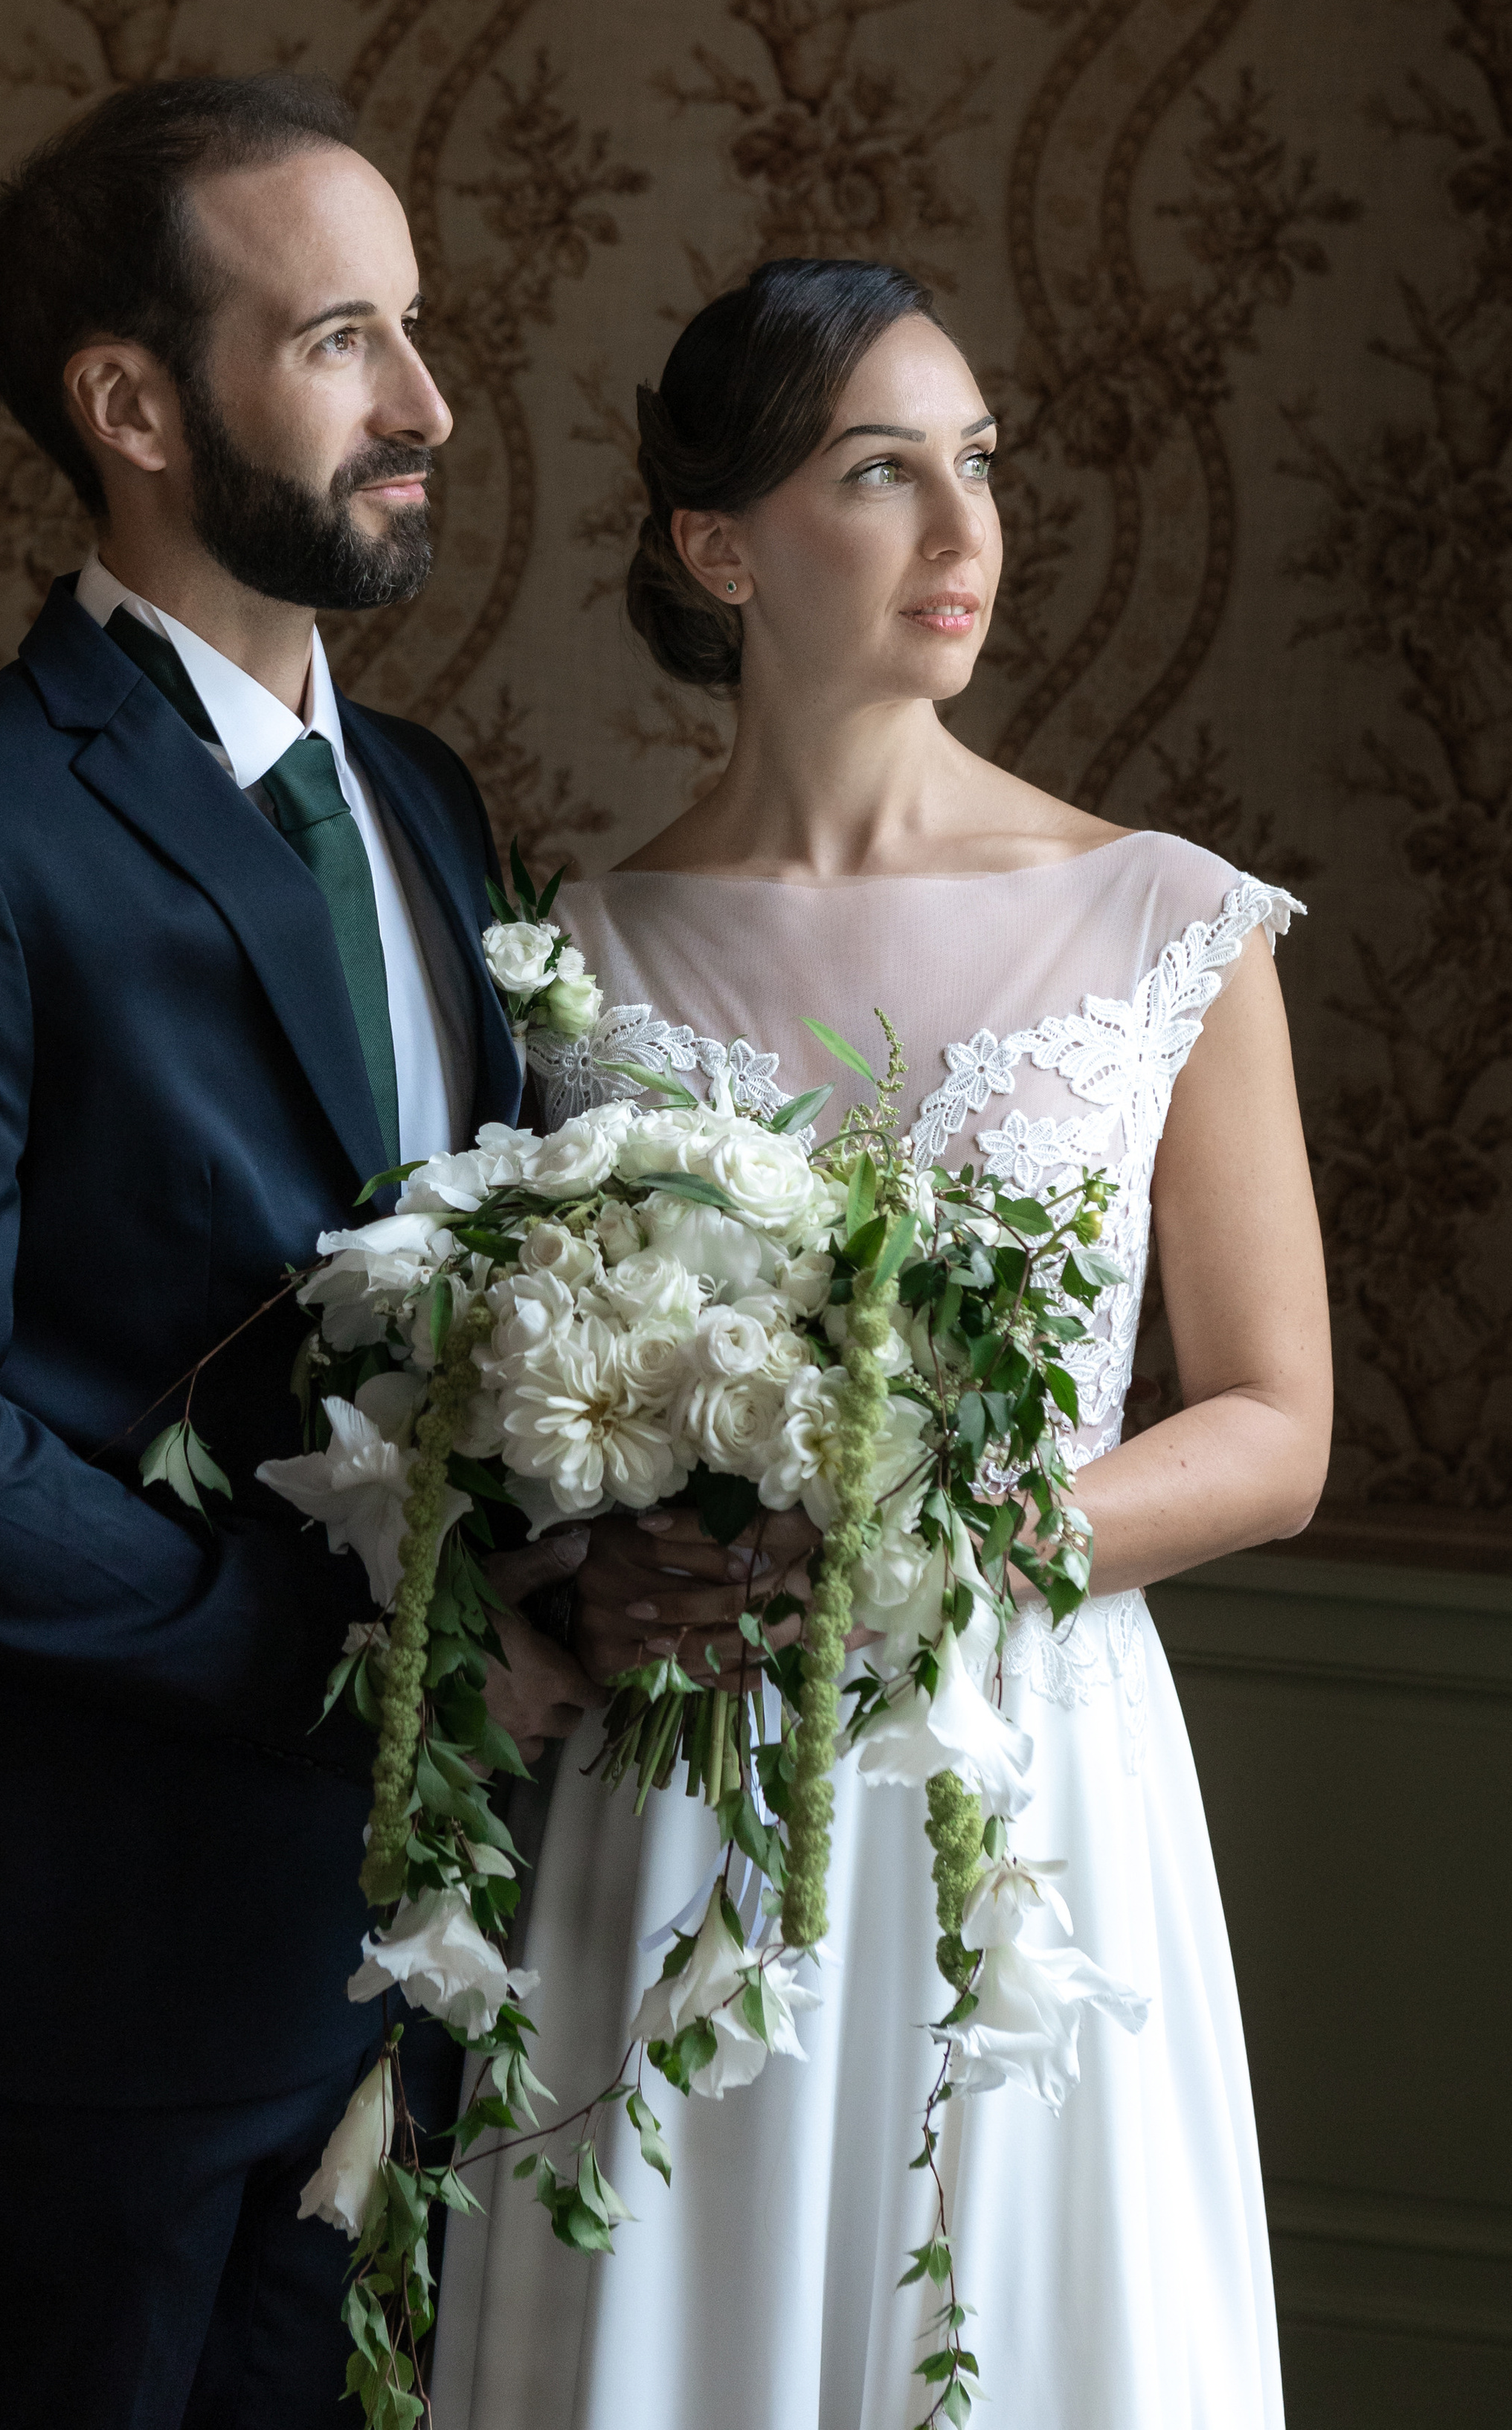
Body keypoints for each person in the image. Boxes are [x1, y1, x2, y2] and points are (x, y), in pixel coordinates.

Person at [0, 72, 597, 2429]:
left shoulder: (424, 803)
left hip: (411, 1947)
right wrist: (343, 1662)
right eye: (340, 340)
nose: (428, 404)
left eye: (414, 326)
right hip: (74, 1976)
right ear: (131, 406)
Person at [433, 257, 1331, 2430]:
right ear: (718, 547)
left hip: (1032, 1787)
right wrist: (584, 1575)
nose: (963, 529)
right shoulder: (575, 961)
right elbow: (531, 1413)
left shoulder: (1166, 919)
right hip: (681, 1800)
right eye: (879, 471)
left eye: (980, 464)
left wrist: (948, 1548)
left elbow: (1274, 1426)